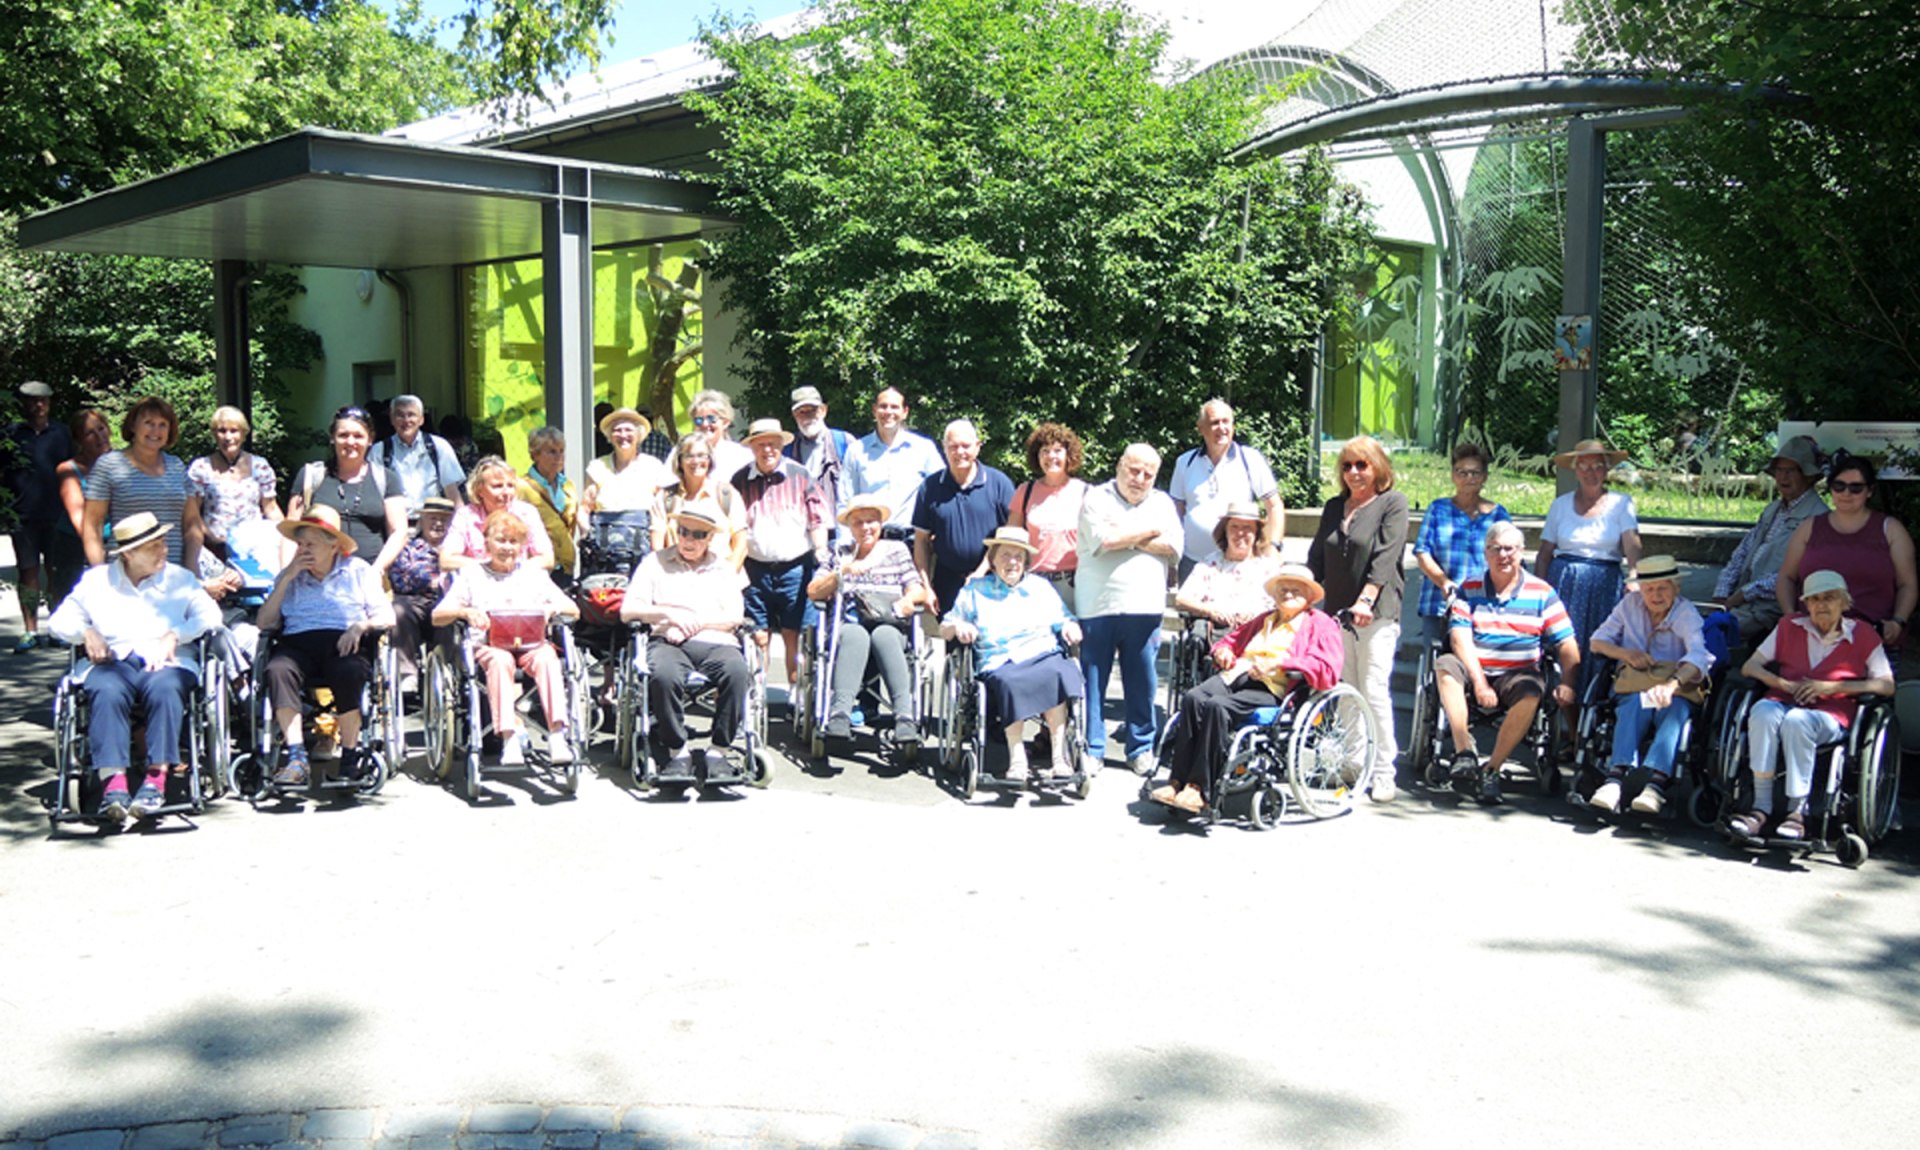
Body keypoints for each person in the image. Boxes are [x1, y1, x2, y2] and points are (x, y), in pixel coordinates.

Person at [46, 512, 222, 822]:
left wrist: (175, 634)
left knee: (166, 687)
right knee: (105, 689)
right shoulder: (97, 581)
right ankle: (114, 786)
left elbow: (211, 617)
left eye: (164, 543)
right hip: (113, 660)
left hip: (167, 659)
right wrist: (86, 632)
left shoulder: (179, 578)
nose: (164, 550)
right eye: (154, 546)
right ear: (128, 553)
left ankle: (156, 780)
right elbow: (59, 621)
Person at [1151, 564, 1343, 814]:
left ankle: (1200, 789)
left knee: (1217, 707)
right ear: (1274, 595)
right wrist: (1223, 651)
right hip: (1238, 674)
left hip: (1273, 686)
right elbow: (1231, 640)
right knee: (1193, 698)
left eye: (1296, 590)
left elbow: (1327, 668)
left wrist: (1281, 663)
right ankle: (1176, 782)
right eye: (1282, 589)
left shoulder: (1320, 625)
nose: (1287, 594)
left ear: (1309, 597)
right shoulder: (1265, 619)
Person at [1729, 569, 1895, 843]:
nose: (1821, 605)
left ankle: (1797, 812)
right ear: (1806, 603)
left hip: (1832, 714)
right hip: (1783, 701)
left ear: (1844, 602)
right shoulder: (1789, 626)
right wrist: (1782, 683)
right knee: (1761, 712)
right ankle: (1760, 809)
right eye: (1814, 599)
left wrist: (1833, 687)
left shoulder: (1863, 635)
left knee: (1798, 721)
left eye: (1829, 598)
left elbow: (1886, 685)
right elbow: (1751, 666)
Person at [1436, 521, 1581, 804]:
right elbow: (1460, 639)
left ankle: (1491, 769)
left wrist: (1568, 682)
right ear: (1485, 553)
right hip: (1475, 666)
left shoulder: (1542, 592)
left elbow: (1567, 643)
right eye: (1495, 549)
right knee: (1445, 666)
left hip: (1518, 672)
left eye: (1509, 549)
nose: (1503, 555)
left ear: (1521, 552)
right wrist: (1479, 683)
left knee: (1531, 692)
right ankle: (1464, 749)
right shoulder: (1470, 587)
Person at [255, 505, 397, 787]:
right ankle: (296, 758)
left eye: (312, 543)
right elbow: (264, 623)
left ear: (334, 546)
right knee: (277, 669)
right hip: (297, 642)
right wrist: (286, 580)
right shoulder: (289, 576)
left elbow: (387, 616)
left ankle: (349, 756)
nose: (304, 549)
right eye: (301, 543)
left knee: (349, 671)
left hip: (344, 640)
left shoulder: (358, 571)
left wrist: (361, 626)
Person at [431, 509, 582, 766]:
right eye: (501, 540)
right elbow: (438, 615)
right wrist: (465, 612)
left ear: (523, 546)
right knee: (500, 662)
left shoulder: (534, 574)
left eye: (514, 542)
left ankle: (557, 734)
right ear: (486, 542)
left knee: (548, 658)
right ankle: (509, 737)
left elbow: (574, 610)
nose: (507, 548)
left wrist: (550, 608)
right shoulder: (472, 574)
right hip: (490, 645)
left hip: (532, 644)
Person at [1307, 435, 1409, 802]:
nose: (1354, 472)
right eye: (1347, 465)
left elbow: (1386, 557)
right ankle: (1353, 763)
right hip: (1336, 612)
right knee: (1346, 689)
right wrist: (1300, 591)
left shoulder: (1392, 503)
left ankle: (1384, 771)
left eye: (1362, 465)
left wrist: (1366, 600)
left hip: (1377, 614)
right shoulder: (1335, 507)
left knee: (1374, 688)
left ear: (1378, 467)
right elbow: (1318, 555)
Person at [942, 526, 1084, 783]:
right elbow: (945, 626)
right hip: (1001, 660)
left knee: (1059, 672)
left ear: (1026, 561)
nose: (1012, 562)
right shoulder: (975, 590)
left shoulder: (1041, 588)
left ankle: (1059, 757)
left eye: (1018, 556)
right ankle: (1017, 758)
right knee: (1011, 681)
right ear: (993, 559)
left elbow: (1063, 617)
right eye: (1005, 555)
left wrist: (1069, 625)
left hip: (1042, 652)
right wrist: (958, 626)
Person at [621, 505, 752, 777]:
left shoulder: (724, 568)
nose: (689, 540)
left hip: (717, 641)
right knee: (663, 676)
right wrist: (667, 614)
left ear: (710, 538)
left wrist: (695, 623)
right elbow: (628, 611)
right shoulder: (654, 563)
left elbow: (735, 616)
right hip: (667, 640)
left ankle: (718, 751)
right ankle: (677, 751)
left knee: (737, 672)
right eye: (683, 532)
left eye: (698, 534)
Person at [1076, 443, 1182, 775]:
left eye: (1148, 474)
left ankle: (1140, 748)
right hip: (1098, 604)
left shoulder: (1163, 502)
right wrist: (1150, 531)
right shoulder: (1096, 497)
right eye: (1133, 470)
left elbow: (1174, 546)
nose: (1139, 479)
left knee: (1143, 683)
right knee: (1093, 679)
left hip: (1145, 606)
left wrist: (1126, 536)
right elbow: (1103, 541)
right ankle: (1092, 748)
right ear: (1120, 465)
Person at [1586, 555, 1714, 815]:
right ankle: (1614, 778)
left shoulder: (1685, 612)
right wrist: (1626, 654)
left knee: (1676, 711)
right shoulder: (1628, 605)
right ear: (1640, 589)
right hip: (1636, 684)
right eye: (1649, 589)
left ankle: (1656, 784)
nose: (1656, 595)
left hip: (1676, 686)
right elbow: (1597, 641)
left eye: (1663, 588)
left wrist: (1671, 685)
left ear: (1676, 588)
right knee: (1633, 704)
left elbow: (1699, 655)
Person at [806, 493, 931, 749]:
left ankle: (905, 717)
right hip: (849, 625)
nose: (865, 528)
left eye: (871, 521)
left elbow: (917, 590)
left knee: (883, 635)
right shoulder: (839, 552)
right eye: (858, 522)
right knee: (855, 634)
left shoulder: (897, 550)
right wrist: (841, 574)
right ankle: (839, 713)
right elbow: (814, 591)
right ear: (850, 526)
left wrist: (907, 603)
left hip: (889, 623)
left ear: (880, 524)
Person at [1775, 450, 1916, 656]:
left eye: (1856, 488)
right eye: (1839, 486)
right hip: (1813, 636)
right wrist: (1790, 616)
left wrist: (1897, 621)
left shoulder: (1891, 529)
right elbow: (1786, 577)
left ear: (1869, 491)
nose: (1846, 493)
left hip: (1873, 639)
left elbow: (1908, 585)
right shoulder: (1809, 527)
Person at [1535, 437, 1642, 688]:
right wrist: (1538, 590)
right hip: (1565, 580)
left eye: (1597, 466)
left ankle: (1589, 706)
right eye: (1584, 466)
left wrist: (1635, 578)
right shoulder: (1560, 505)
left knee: (1598, 644)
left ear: (1606, 470)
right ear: (1574, 469)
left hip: (1603, 583)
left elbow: (1632, 546)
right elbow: (1544, 552)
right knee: (1561, 641)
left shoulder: (1621, 503)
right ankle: (1558, 702)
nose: (1590, 472)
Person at [734, 418, 830, 682]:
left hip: (795, 568)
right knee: (758, 635)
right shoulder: (740, 480)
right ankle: (756, 694)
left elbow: (818, 518)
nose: (767, 450)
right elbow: (732, 524)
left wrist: (821, 550)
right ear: (752, 447)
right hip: (754, 568)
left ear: (781, 446)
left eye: (773, 445)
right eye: (761, 444)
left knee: (793, 634)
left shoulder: (800, 475)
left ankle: (794, 695)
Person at [1711, 436, 1826, 646]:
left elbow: (1797, 574)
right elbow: (1742, 552)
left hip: (1775, 604)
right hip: (1746, 599)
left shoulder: (1818, 517)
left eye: (1791, 471)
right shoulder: (1773, 509)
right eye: (1779, 470)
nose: (1783, 477)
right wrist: (1721, 593)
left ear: (1808, 476)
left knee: (1712, 633)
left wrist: (1741, 596)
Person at [82, 396, 205, 570]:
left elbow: (192, 523)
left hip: (174, 575)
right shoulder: (109, 465)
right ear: (133, 425)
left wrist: (192, 568)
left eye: (163, 424)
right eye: (149, 422)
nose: (156, 430)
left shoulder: (177, 466)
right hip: (126, 575)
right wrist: (99, 571)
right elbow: (92, 525)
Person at [285, 406, 410, 576]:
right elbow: (291, 531)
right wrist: (286, 575)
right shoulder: (311, 476)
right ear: (332, 438)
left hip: (369, 579)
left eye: (358, 436)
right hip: (315, 580)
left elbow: (399, 532)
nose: (351, 442)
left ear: (370, 439)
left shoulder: (386, 479)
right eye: (343, 435)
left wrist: (375, 572)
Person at [1167, 398, 1284, 578]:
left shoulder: (1250, 459)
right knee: (1190, 607)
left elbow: (1274, 506)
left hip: (1239, 562)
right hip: (1192, 562)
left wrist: (1274, 546)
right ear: (1201, 428)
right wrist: (1172, 556)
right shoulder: (1185, 462)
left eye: (1226, 421)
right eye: (1214, 422)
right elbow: (1176, 512)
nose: (1222, 428)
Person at [1412, 441, 1512, 646]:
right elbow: (1422, 552)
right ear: (1453, 475)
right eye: (1462, 472)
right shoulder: (1438, 509)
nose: (1469, 478)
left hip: (1484, 603)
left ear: (1484, 477)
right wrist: (1444, 582)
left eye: (1475, 473)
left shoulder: (1498, 514)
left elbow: (1509, 557)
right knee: (1436, 665)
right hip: (1439, 602)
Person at [913, 419, 1014, 616]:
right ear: (944, 448)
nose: (960, 452)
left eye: (966, 446)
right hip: (947, 583)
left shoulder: (999, 483)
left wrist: (981, 571)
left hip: (993, 579)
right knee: (954, 642)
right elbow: (921, 541)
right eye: (953, 446)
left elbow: (1009, 535)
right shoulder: (930, 487)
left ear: (977, 447)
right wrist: (926, 587)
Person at [7, 380, 73, 650]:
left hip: (57, 512)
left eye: (43, 400)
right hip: (23, 514)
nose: (38, 405)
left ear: (49, 402)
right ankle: (30, 630)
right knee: (28, 573)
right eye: (33, 401)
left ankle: (57, 627)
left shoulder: (62, 433)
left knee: (56, 574)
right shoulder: (11, 434)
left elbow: (75, 468)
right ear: (23, 403)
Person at [184, 406, 282, 573]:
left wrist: (288, 538)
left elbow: (271, 508)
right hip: (214, 549)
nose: (228, 437)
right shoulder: (201, 468)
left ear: (243, 434)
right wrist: (211, 538)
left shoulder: (260, 466)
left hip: (254, 551)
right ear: (214, 434)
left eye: (234, 431)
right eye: (222, 431)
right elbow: (192, 514)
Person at [1005, 422, 1090, 611]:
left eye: (1058, 450)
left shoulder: (1085, 492)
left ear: (1069, 455)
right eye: (1045, 451)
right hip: (1034, 582)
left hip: (1073, 583)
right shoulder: (1024, 492)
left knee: (1072, 638)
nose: (1051, 456)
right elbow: (1009, 541)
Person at [838, 386, 944, 535]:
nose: (888, 412)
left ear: (905, 412)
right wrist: (845, 546)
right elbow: (845, 501)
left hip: (913, 543)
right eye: (883, 406)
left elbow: (941, 492)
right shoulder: (856, 451)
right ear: (874, 410)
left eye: (894, 407)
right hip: (870, 542)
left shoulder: (924, 449)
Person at [1172, 501, 1280, 627]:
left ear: (1256, 534)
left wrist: (1255, 614)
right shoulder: (1209, 564)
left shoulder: (1269, 568)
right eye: (1234, 527)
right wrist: (1211, 611)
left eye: (1247, 528)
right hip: (1216, 634)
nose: (1240, 533)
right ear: (1225, 531)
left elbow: (1281, 604)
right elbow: (1181, 600)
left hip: (1257, 635)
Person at [440, 456, 553, 573]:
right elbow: (447, 560)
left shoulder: (526, 513)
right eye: (497, 486)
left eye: (510, 486)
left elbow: (547, 559)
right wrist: (490, 567)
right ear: (479, 490)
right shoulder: (465, 516)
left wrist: (515, 569)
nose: (506, 493)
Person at [653, 432, 748, 569]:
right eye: (689, 456)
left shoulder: (727, 494)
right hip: (675, 579)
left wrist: (727, 578)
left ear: (710, 459)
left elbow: (741, 545)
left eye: (702, 455)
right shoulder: (666, 497)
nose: (696, 461)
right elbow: (657, 546)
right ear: (679, 461)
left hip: (719, 578)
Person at [581, 407, 673, 546]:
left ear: (639, 435)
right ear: (610, 436)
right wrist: (587, 535)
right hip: (605, 548)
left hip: (642, 547)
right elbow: (584, 509)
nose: (623, 435)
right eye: (617, 430)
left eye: (628, 430)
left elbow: (659, 516)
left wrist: (657, 553)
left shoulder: (653, 466)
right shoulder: (597, 467)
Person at [52, 409, 113, 616]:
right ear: (79, 440)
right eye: (90, 433)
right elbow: (80, 520)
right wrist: (98, 555)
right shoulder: (68, 469)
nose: (99, 437)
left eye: (101, 429)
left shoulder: (123, 463)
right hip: (75, 547)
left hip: (118, 544)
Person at [388, 496, 456, 680]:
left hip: (448, 601)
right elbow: (399, 579)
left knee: (451, 615)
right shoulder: (409, 547)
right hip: (414, 601)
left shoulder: (457, 550)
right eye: (433, 518)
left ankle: (446, 669)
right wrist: (429, 581)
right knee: (398, 610)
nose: (438, 524)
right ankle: (406, 673)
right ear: (422, 521)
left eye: (444, 519)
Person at [370, 394, 466, 515]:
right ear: (392, 419)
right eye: (400, 415)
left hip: (433, 523)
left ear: (421, 420)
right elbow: (374, 494)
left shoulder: (439, 446)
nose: (406, 420)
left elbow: (452, 493)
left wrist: (463, 526)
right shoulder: (379, 450)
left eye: (411, 415)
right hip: (395, 525)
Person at [784, 386, 853, 528]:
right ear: (794, 415)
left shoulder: (844, 442)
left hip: (840, 530)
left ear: (823, 411)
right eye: (801, 412)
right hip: (802, 533)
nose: (807, 416)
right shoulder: (788, 450)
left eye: (812, 410)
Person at [517, 426, 578, 578]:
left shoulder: (568, 485)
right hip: (537, 566)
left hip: (565, 566)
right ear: (535, 455)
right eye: (551, 451)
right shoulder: (521, 487)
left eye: (561, 451)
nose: (559, 457)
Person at [677, 389, 755, 483]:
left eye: (711, 419)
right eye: (699, 420)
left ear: (726, 422)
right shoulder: (680, 453)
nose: (705, 424)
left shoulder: (742, 456)